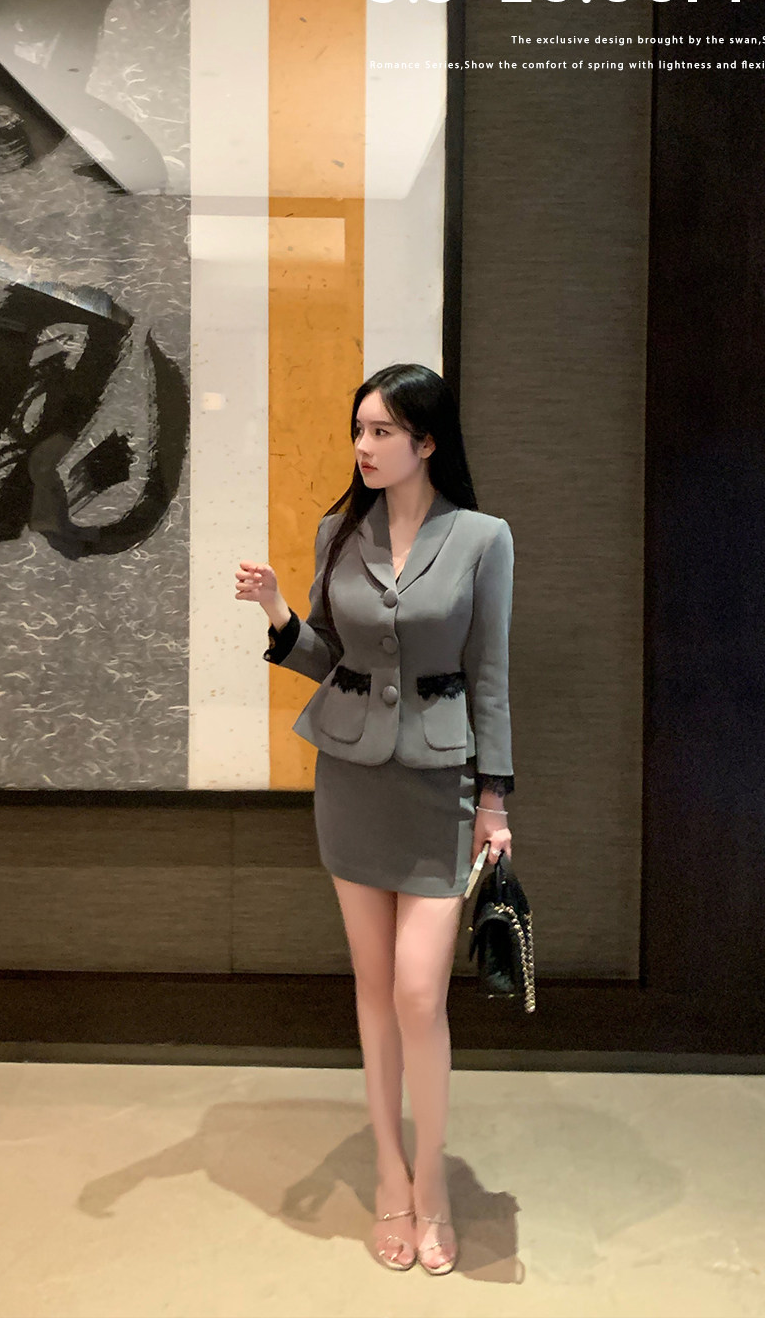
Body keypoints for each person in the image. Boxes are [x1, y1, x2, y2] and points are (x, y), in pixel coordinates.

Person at [235, 362, 515, 1277]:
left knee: (419, 994)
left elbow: (490, 678)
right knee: (373, 990)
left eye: (382, 431)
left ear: (425, 442)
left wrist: (495, 800)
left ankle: (433, 1180)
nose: (364, 445)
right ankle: (391, 1175)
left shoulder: (482, 539)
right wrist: (278, 611)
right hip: (352, 782)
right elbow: (331, 660)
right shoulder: (338, 531)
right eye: (359, 429)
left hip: (440, 788)